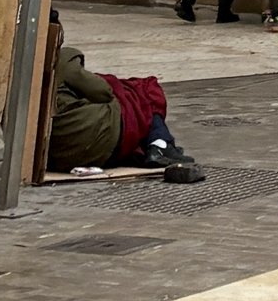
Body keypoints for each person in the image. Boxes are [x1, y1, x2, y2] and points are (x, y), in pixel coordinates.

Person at [43, 12, 195, 178]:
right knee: (140, 92)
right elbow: (103, 92)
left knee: (129, 97)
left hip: (59, 156)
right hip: (93, 140)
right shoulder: (59, 60)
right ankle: (160, 144)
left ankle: (155, 145)